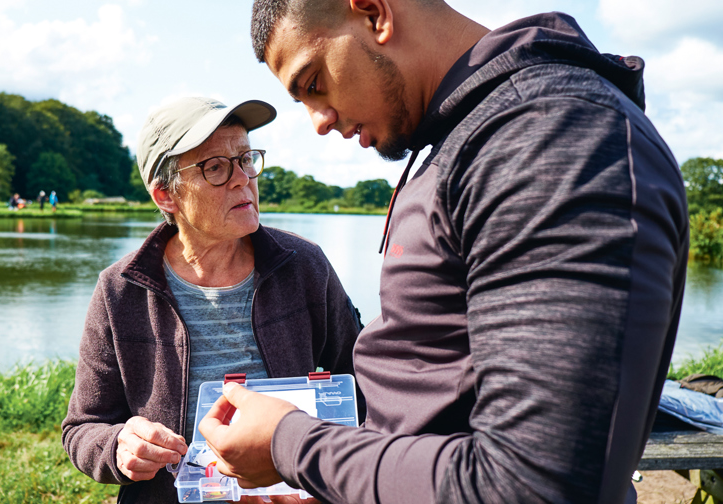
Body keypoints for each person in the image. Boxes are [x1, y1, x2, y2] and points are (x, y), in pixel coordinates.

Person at [198, 2, 689, 504]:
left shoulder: (552, 139)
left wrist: (291, 444)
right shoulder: (467, 139)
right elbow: (433, 394)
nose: (317, 122)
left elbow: (535, 485)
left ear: (373, 13)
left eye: (314, 83)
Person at [61, 96, 363, 504]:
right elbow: (83, 428)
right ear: (166, 196)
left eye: (246, 159)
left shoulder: (305, 265)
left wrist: (328, 467)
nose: (243, 179)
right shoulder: (120, 290)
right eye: (216, 168)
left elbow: (364, 380)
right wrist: (119, 446)